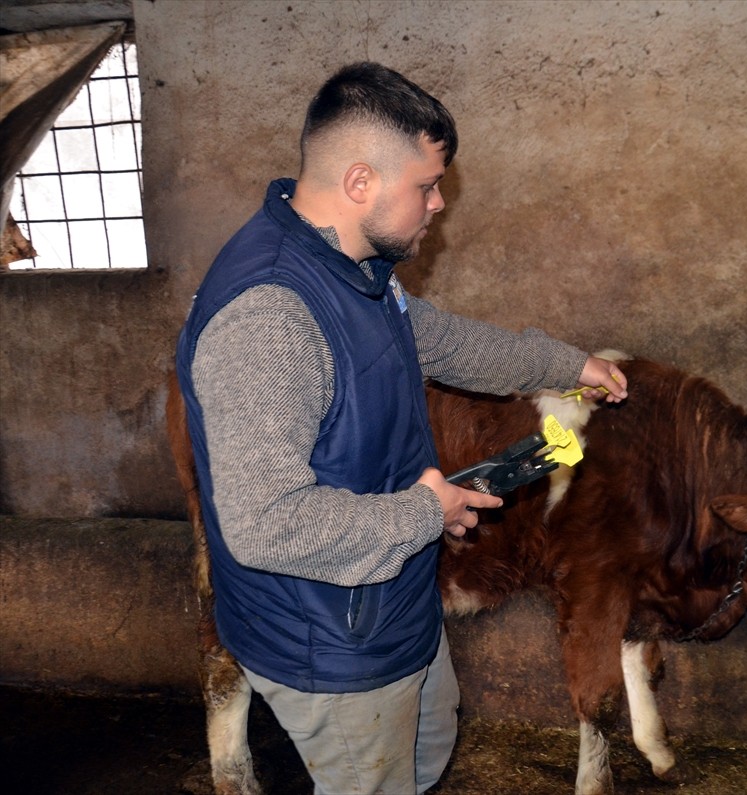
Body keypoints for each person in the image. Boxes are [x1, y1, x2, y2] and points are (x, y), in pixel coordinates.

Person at [174, 61, 628, 795]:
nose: (439, 202)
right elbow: (263, 525)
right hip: (331, 639)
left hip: (389, 604)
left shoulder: (355, 267)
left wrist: (566, 363)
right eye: (425, 186)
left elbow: (439, 339)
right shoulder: (270, 317)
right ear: (360, 183)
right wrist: (427, 511)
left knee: (427, 746)